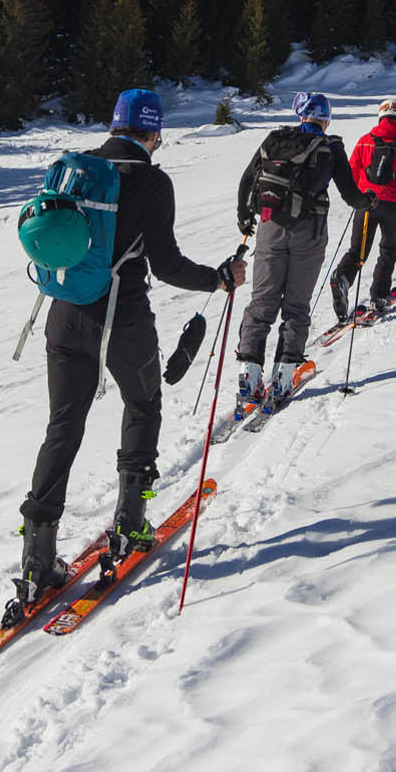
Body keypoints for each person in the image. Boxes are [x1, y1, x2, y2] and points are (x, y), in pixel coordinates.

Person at [19, 89, 246, 596]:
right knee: (142, 405)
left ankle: (36, 559)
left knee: (62, 426)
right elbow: (166, 265)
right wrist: (217, 279)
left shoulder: (78, 169)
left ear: (114, 125)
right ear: (153, 132)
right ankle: (130, 524)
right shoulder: (151, 181)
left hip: (64, 313)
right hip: (122, 318)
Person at [233, 92, 363, 410]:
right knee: (296, 304)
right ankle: (283, 376)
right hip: (309, 233)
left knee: (262, 301)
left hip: (270, 227)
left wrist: (245, 216)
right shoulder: (331, 147)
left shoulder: (276, 140)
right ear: (326, 119)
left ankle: (249, 375)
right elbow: (351, 195)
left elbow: (247, 180)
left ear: (301, 115)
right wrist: (369, 202)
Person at [328, 99, 396, 321]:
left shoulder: (365, 141)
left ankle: (342, 278)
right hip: (395, 206)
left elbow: (352, 170)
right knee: (388, 249)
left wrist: (356, 198)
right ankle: (379, 296)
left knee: (358, 250)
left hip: (366, 203)